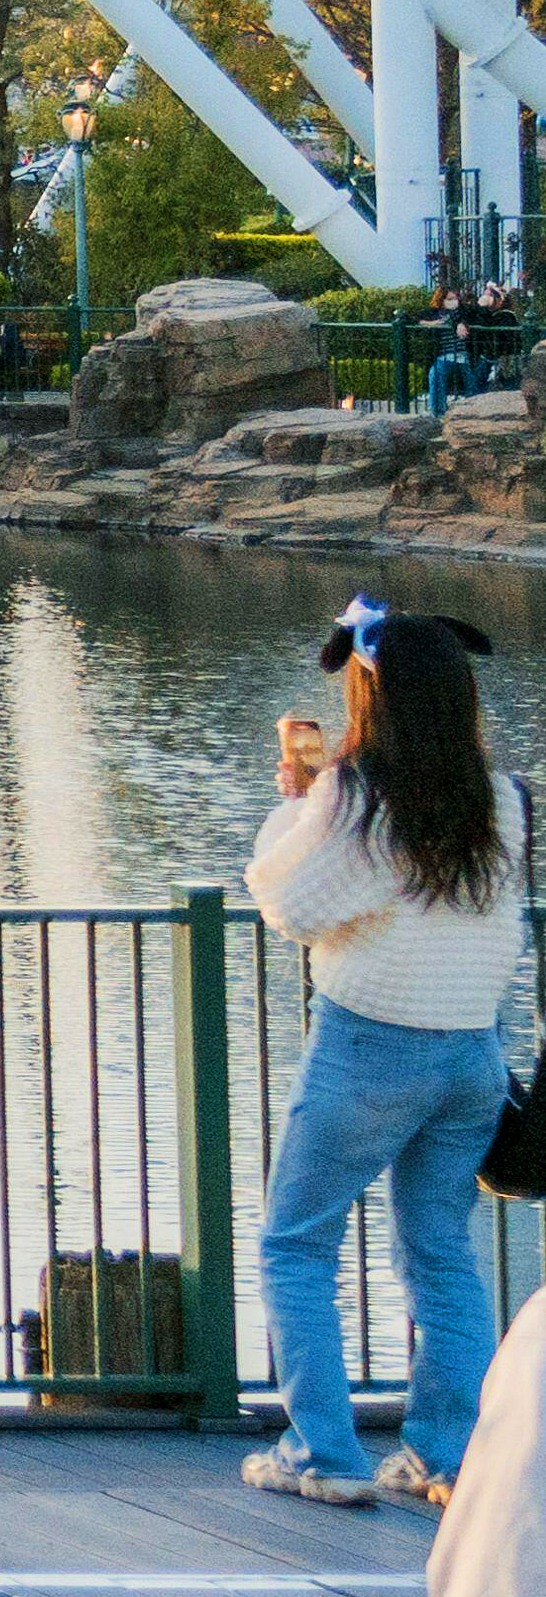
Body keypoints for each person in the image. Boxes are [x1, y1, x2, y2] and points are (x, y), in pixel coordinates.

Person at [243, 595, 523, 1508]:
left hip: (370, 1046)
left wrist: (293, 810)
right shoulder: (506, 799)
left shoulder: (358, 794)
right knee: (440, 1254)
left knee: (295, 1244)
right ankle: (448, 1456)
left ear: (374, 699)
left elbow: (288, 906)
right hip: (471, 1052)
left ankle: (321, 1453)